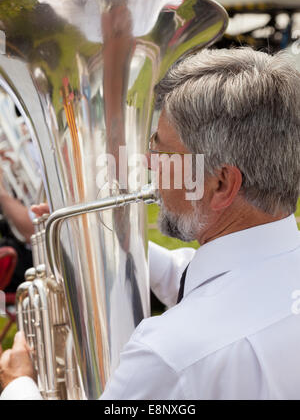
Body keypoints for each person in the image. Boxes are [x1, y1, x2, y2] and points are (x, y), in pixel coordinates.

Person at [1, 46, 300, 399]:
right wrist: (95, 239)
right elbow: (207, 281)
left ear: (221, 184)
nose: (149, 164)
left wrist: (18, 384)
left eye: (161, 152)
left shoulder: (166, 355)